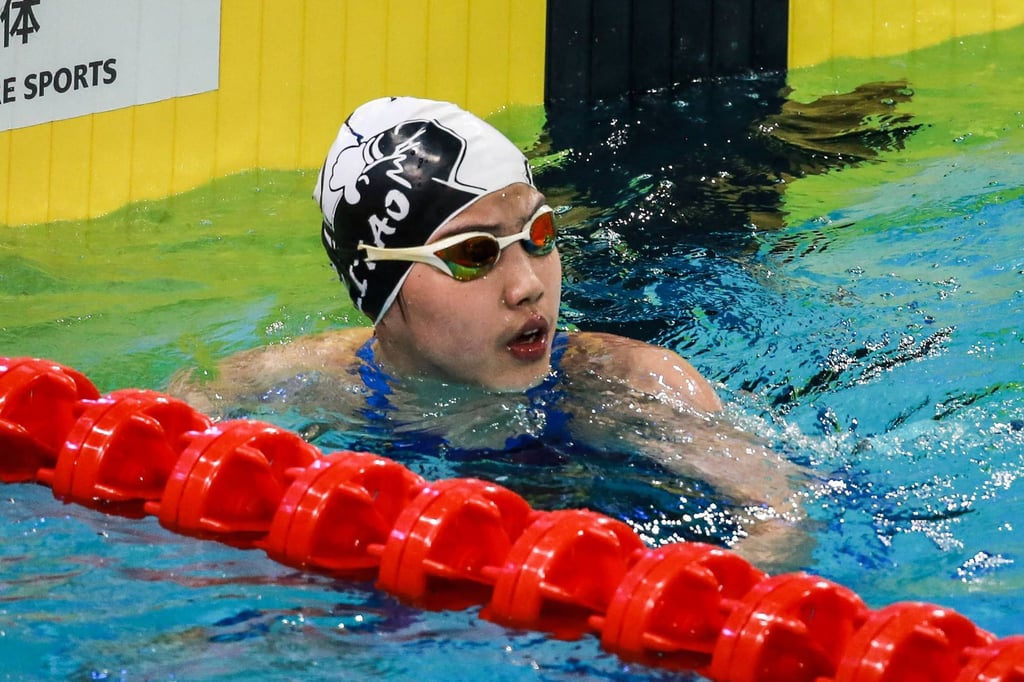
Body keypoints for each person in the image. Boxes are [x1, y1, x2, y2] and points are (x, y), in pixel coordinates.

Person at [170, 96, 810, 568]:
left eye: (538, 237)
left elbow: (780, 516)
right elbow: (178, 429)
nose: (527, 285)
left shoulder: (635, 388)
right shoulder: (307, 383)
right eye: (474, 254)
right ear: (379, 291)